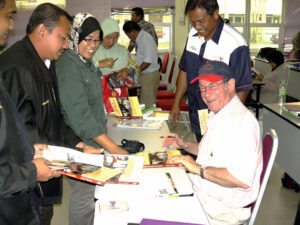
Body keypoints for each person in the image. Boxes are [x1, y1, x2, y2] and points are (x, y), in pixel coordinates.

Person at [0, 3, 102, 225]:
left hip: (39, 168)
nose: (67, 45)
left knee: (45, 215)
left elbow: (53, 116)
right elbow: (21, 131)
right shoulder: (17, 67)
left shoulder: (48, 62)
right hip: (21, 178)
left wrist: (77, 145)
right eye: (63, 38)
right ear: (42, 31)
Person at [163, 61, 262, 225]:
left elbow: (241, 178)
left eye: (213, 86)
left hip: (221, 211)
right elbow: (207, 153)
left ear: (230, 85)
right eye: (202, 88)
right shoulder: (220, 114)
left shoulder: (242, 123)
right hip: (206, 195)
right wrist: (184, 144)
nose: (207, 94)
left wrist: (197, 168)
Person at [56, 13, 128, 225]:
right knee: (83, 197)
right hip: (81, 144)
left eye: (97, 40)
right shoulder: (68, 66)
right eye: (88, 39)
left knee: (90, 194)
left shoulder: (84, 62)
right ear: (75, 36)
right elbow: (81, 118)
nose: (93, 45)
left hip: (94, 140)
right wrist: (114, 148)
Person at [0, 1, 61, 224]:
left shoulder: (44, 63)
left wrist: (28, 149)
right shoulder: (15, 66)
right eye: (9, 16)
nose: (10, 26)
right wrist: (31, 172)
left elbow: (10, 130)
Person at [170, 0, 253, 142]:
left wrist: (225, 121)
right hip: (197, 112)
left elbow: (242, 89)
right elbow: (185, 70)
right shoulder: (192, 35)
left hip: (221, 117)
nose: (197, 27)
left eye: (201, 21)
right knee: (202, 152)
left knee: (217, 159)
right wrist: (176, 103)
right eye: (193, 22)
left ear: (215, 14)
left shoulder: (235, 43)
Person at [92, 17, 131, 113]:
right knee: (103, 125)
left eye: (115, 37)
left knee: (122, 123)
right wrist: (98, 64)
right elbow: (82, 71)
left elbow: (135, 70)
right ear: (102, 35)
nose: (112, 42)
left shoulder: (123, 52)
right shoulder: (92, 50)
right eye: (108, 37)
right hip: (99, 98)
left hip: (120, 96)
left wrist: (128, 71)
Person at [123, 21, 160, 108]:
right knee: (142, 102)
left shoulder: (145, 38)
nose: (129, 38)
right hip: (145, 74)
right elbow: (142, 57)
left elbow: (148, 60)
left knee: (148, 105)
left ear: (133, 32)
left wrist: (135, 71)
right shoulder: (141, 38)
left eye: (129, 35)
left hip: (149, 75)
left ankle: (151, 121)